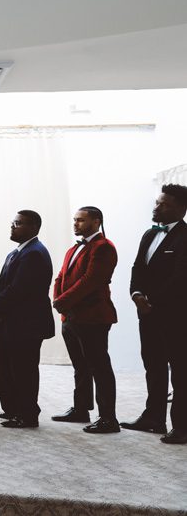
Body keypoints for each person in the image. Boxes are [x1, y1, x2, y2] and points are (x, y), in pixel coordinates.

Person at [123, 184, 187, 444]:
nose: (157, 207)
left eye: (164, 204)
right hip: (147, 313)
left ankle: (181, 427)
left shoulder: (185, 236)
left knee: (180, 371)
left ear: (181, 209)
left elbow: (181, 277)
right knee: (153, 365)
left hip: (175, 315)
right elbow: (137, 267)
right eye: (157, 202)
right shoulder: (149, 234)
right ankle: (154, 417)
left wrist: (152, 301)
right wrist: (136, 294)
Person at [51, 206, 120, 434]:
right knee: (80, 366)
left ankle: (108, 418)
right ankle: (81, 409)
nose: (75, 223)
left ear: (96, 222)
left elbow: (91, 281)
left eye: (81, 220)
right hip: (70, 316)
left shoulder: (104, 247)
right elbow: (60, 277)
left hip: (93, 316)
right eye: (74, 220)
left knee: (99, 367)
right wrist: (58, 301)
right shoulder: (74, 248)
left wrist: (63, 301)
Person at [0, 210, 54, 428]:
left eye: (18, 223)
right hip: (10, 321)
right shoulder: (16, 252)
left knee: (23, 370)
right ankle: (13, 408)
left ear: (33, 227)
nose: (12, 226)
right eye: (13, 223)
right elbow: (3, 285)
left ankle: (27, 414)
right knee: (5, 367)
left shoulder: (34, 253)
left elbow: (19, 289)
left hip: (26, 324)